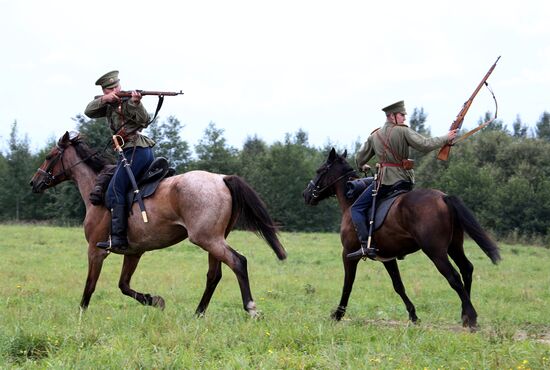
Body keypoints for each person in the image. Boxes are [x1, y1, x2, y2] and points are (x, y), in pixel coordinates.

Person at [347, 100, 458, 260]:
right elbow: (425, 145)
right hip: (404, 181)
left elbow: (359, 158)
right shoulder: (403, 131)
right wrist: (446, 138)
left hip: (385, 183)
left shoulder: (375, 136)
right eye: (402, 115)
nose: (404, 118)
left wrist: (363, 166)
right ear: (391, 116)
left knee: (356, 209)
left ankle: (365, 246)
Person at [85, 70, 156, 250]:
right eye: (106, 91)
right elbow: (88, 111)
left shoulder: (128, 102)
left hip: (136, 149)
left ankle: (118, 239)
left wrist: (135, 103)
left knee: (114, 190)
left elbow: (145, 120)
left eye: (112, 89)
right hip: (129, 151)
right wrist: (105, 100)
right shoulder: (108, 103)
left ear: (118, 86)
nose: (109, 92)